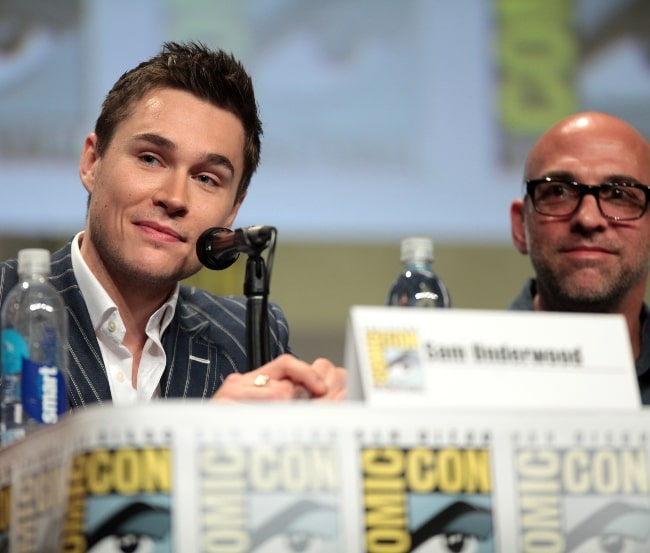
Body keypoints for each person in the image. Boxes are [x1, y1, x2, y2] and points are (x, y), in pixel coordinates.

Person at [0, 41, 345, 408]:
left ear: (232, 211)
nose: (175, 198)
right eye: (151, 159)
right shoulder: (8, 299)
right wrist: (200, 441)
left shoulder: (247, 334)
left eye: (207, 179)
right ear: (92, 161)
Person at [508, 111, 650, 404]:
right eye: (558, 191)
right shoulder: (455, 377)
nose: (587, 218)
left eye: (621, 194)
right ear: (520, 227)